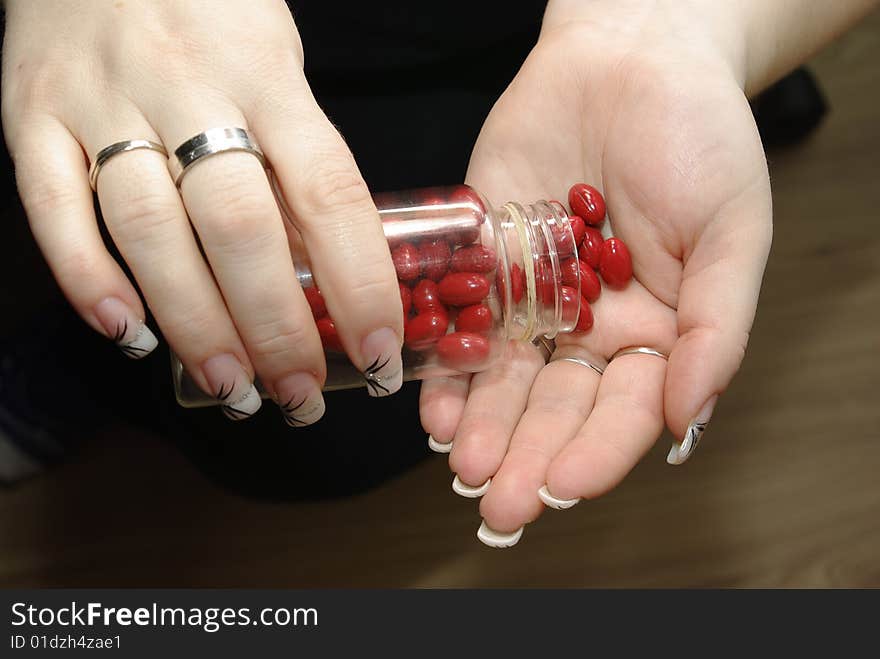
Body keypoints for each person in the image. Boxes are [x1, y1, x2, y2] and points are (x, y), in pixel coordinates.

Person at [1, 0, 876, 546]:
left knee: (312, 437)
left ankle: (105, 364)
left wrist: (672, 27)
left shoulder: (486, 265)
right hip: (174, 44)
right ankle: (83, 357)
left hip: (501, 46)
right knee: (120, 221)